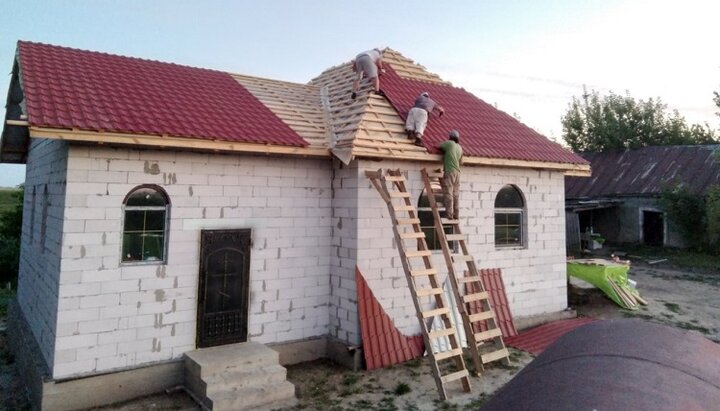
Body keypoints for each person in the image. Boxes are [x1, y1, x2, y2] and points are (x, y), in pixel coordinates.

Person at [438, 130, 463, 220]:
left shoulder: (449, 143)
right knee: (456, 194)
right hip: (457, 173)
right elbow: (461, 161)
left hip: (450, 171)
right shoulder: (460, 147)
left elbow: (440, 146)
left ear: (450, 137)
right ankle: (456, 215)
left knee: (448, 193)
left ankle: (449, 214)